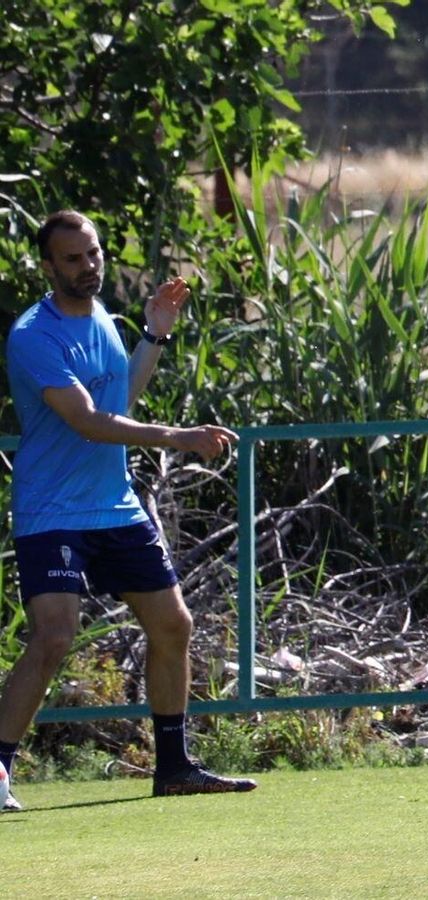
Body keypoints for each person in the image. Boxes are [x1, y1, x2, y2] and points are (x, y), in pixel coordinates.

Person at [0, 210, 256, 809]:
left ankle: (173, 767)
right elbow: (89, 422)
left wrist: (154, 336)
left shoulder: (105, 324)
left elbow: (122, 399)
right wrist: (178, 437)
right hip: (52, 511)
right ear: (48, 266)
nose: (87, 267)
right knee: (54, 637)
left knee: (174, 626)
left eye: (93, 254)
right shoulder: (34, 335)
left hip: (114, 506)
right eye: (72, 258)